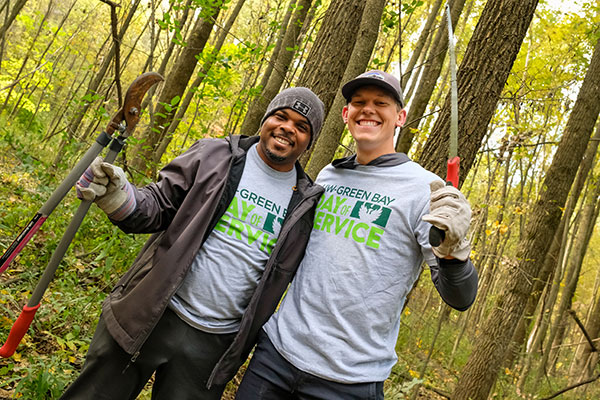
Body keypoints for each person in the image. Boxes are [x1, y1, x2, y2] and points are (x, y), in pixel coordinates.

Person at [60, 87, 325, 400]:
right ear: (267, 119)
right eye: (281, 117)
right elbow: (157, 205)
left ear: (309, 140)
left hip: (212, 346)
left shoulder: (307, 204)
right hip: (151, 311)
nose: (287, 128)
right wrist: (119, 197)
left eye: (301, 126)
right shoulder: (214, 155)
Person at [235, 70, 478, 399]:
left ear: (400, 117)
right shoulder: (329, 175)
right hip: (275, 358)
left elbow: (460, 298)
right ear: (346, 114)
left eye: (381, 103)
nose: (368, 109)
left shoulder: (425, 189)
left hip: (349, 381)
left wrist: (453, 252)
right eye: (359, 102)